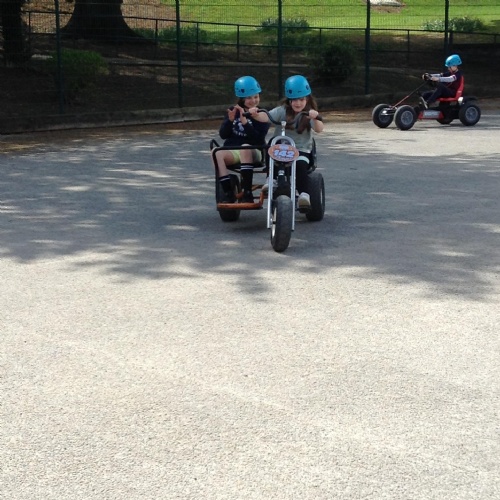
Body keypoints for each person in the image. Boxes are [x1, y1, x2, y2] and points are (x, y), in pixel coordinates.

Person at [249, 74, 324, 209]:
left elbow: (319, 129)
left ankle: (304, 194)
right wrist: (256, 114)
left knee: (300, 166)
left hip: (300, 150)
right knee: (272, 145)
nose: (298, 103)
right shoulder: (282, 111)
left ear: (307, 99)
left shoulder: (309, 114)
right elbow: (266, 117)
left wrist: (315, 117)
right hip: (281, 149)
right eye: (294, 100)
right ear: (289, 100)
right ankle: (271, 179)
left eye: (301, 99)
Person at [214, 75, 270, 203]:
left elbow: (257, 139)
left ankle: (247, 192)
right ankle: (227, 192)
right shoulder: (234, 111)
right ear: (241, 98)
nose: (253, 101)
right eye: (249, 98)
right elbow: (223, 135)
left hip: (254, 151)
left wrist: (245, 123)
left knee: (245, 147)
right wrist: (230, 121)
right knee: (216, 152)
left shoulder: (261, 114)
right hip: (234, 150)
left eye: (256, 97)